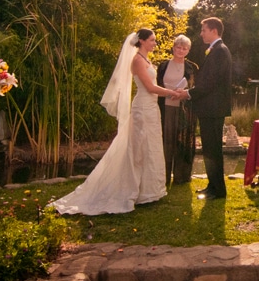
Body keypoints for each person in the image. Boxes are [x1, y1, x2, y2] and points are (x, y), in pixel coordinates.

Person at [52, 29, 180, 215]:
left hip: (151, 108)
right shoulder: (137, 61)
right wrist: (172, 92)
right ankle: (135, 190)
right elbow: (150, 87)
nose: (154, 43)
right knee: (140, 148)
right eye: (152, 40)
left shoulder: (146, 60)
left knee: (151, 147)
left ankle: (150, 191)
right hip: (143, 109)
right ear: (142, 41)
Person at [183, 17, 232, 201]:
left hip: (213, 109)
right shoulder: (216, 50)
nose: (201, 33)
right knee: (209, 149)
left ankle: (218, 190)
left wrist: (188, 93)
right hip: (210, 109)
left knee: (213, 150)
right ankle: (212, 186)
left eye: (203, 30)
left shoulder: (220, 51)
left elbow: (210, 82)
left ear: (214, 31)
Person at [157, 35, 198, 185]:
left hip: (184, 110)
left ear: (188, 50)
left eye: (184, 48)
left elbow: (196, 89)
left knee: (182, 142)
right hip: (165, 108)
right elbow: (156, 85)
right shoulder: (163, 66)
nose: (181, 50)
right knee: (165, 142)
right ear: (173, 48)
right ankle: (164, 176)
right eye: (178, 47)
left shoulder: (192, 68)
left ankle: (181, 177)